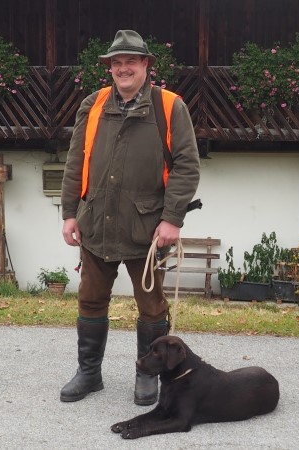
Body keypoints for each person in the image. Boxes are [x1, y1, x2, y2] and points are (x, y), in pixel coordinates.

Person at [60, 30, 200, 405]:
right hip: (96, 224)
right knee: (90, 300)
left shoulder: (170, 107)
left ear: (146, 65)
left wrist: (172, 219)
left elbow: (187, 166)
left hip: (148, 230)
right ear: (109, 68)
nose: (123, 69)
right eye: (116, 63)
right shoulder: (92, 105)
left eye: (131, 62)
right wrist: (70, 213)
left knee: (152, 307)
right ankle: (89, 374)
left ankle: (148, 377)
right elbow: (76, 162)